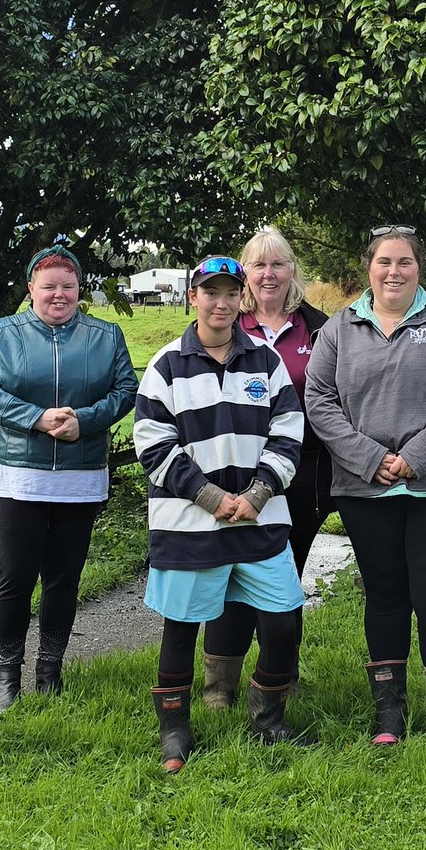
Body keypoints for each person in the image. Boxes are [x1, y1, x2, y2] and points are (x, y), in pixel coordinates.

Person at [305, 227, 426, 753]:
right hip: (366, 489)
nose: (394, 271)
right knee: (385, 598)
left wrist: (417, 457)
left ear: (418, 267)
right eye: (384, 261)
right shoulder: (340, 328)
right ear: (369, 267)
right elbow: (319, 399)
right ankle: (388, 713)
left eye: (404, 262)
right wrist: (370, 458)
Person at [134, 255, 308, 772]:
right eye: (211, 292)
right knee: (182, 627)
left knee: (282, 623)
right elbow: (153, 445)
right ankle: (175, 732)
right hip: (190, 523)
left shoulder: (266, 362)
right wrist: (212, 499)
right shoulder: (166, 364)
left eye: (231, 293)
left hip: (260, 518)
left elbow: (289, 432)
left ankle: (267, 720)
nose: (221, 302)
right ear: (194, 297)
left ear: (241, 300)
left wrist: (256, 495)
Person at [0, 245, 137, 710]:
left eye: (68, 286)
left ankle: (50, 672)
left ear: (79, 290)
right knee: (13, 578)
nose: (58, 295)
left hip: (80, 476)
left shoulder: (106, 336)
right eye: (49, 286)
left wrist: (85, 420)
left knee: (63, 580)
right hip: (16, 477)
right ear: (31, 288)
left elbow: (126, 388)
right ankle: (6, 678)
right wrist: (35, 417)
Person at [201, 227, 333, 708]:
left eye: (278, 264)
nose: (269, 274)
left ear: (292, 269)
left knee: (284, 577)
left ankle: (280, 677)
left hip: (301, 475)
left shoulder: (320, 329)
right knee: (230, 575)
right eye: (258, 265)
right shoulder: (224, 324)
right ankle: (220, 687)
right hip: (231, 474)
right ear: (245, 274)